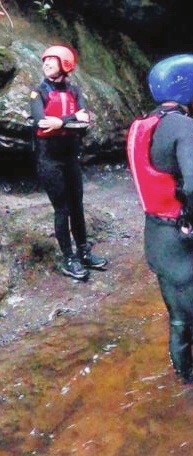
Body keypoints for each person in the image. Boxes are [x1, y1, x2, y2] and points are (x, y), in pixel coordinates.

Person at [126, 53, 193, 403]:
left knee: (178, 319)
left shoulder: (147, 124)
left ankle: (183, 378)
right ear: (184, 86)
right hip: (184, 238)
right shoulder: (185, 128)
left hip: (156, 239)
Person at [29, 44, 107, 281]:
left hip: (70, 156)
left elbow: (85, 119)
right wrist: (70, 119)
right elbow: (42, 123)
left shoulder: (74, 90)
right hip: (49, 158)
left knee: (77, 205)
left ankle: (83, 250)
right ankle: (68, 257)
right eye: (45, 62)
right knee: (62, 208)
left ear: (65, 66)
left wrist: (61, 121)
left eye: (51, 62)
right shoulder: (37, 92)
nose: (46, 66)